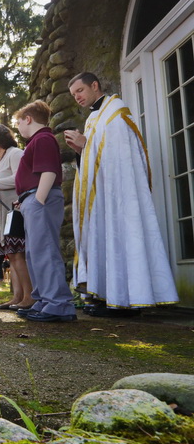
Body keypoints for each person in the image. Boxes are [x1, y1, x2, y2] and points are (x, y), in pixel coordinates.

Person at [65, 72, 179, 316]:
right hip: (102, 196)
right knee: (105, 240)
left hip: (118, 196)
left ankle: (126, 301)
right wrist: (80, 150)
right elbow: (93, 158)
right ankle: (107, 297)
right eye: (74, 95)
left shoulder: (116, 112)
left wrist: (87, 146)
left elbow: (121, 158)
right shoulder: (95, 117)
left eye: (80, 91)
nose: (77, 98)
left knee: (121, 237)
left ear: (94, 85)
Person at [14, 100, 76, 322]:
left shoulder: (42, 139)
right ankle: (43, 299)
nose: (18, 127)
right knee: (34, 252)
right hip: (32, 199)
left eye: (19, 122)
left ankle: (58, 303)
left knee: (45, 251)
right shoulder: (37, 141)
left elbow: (48, 172)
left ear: (28, 119)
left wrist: (37, 200)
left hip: (40, 199)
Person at [0, 124, 34, 311]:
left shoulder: (15, 153)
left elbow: (20, 178)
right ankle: (17, 297)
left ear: (1, 137)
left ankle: (29, 296)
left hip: (12, 211)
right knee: (11, 254)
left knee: (18, 253)